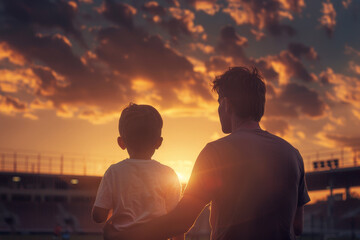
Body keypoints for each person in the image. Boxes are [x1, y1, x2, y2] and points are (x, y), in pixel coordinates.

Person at [104, 67, 311, 240]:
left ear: (226, 104)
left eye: (219, 102)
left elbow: (181, 221)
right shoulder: (293, 154)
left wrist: (125, 234)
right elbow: (298, 226)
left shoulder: (216, 153)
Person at [92, 103, 184, 240]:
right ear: (159, 142)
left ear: (121, 142)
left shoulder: (113, 172)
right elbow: (177, 221)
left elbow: (98, 216)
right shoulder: (168, 174)